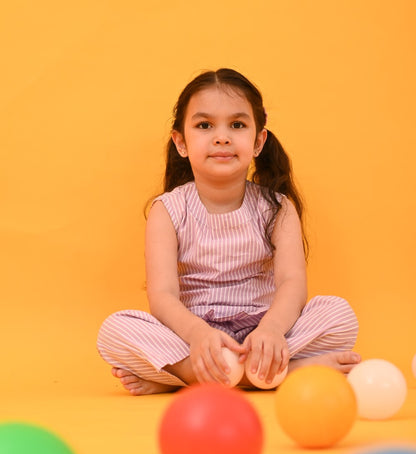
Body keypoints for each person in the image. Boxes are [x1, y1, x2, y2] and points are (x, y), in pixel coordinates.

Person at [97, 68, 360, 395]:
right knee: (115, 329)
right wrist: (197, 335)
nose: (221, 137)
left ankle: (190, 377)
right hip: (194, 338)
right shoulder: (168, 210)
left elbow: (292, 283)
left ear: (258, 141)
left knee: (339, 314)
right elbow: (162, 296)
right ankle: (286, 372)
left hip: (261, 335)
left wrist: (272, 331)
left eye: (237, 125)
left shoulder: (277, 208)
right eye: (204, 125)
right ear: (181, 142)